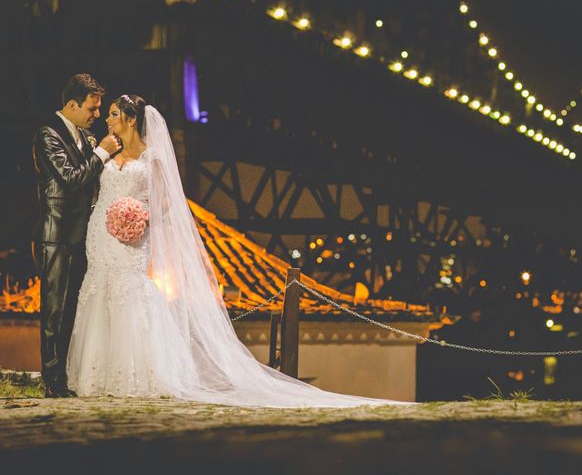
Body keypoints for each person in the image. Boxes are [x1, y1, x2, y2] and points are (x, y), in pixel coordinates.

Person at [66, 94, 408, 407]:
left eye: (113, 114)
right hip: (100, 233)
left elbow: (167, 201)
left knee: (131, 290)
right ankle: (96, 374)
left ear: (129, 118)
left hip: (133, 235)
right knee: (98, 288)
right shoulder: (105, 153)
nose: (107, 119)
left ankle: (136, 373)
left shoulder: (152, 156)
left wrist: (142, 219)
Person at [32, 74, 121, 397]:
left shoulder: (84, 136)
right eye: (92, 108)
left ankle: (65, 376)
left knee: (72, 307)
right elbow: (70, 178)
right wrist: (101, 155)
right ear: (72, 104)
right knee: (54, 308)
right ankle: (52, 380)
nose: (96, 115)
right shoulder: (48, 135)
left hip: (82, 234)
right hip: (55, 234)